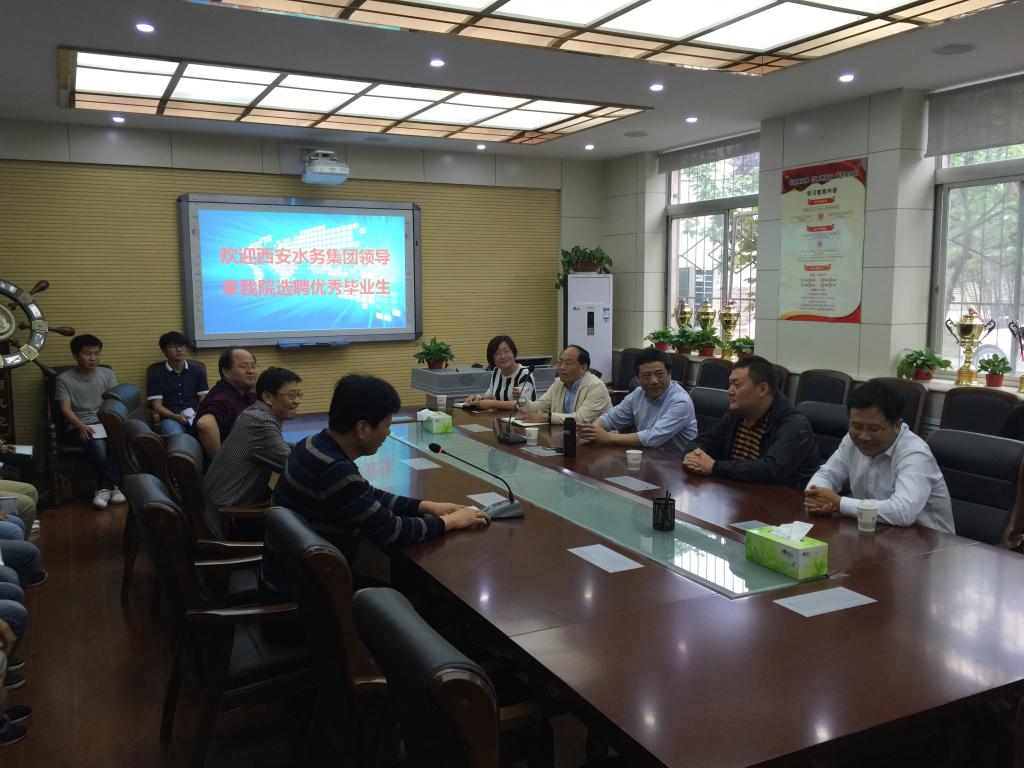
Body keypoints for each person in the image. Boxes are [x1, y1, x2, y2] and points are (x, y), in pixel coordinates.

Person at [260, 373, 490, 599]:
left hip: (291, 575)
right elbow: (393, 532)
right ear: (362, 428)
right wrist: (451, 521)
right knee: (426, 593)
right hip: (308, 598)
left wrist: (426, 506)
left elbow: (366, 494)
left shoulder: (312, 445)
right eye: (387, 425)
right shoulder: (335, 470)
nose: (388, 433)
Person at [804, 380, 955, 533]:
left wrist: (838, 503)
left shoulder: (915, 454)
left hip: (929, 541)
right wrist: (817, 497)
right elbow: (827, 474)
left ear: (897, 426)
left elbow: (903, 512)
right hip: (876, 532)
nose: (863, 436)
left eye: (873, 429)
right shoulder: (851, 440)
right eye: (856, 426)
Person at [682, 355, 820, 488]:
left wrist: (714, 467)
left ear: (762, 389)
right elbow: (704, 441)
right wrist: (692, 455)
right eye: (730, 384)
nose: (730, 391)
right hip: (739, 492)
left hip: (784, 499)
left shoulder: (794, 424)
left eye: (737, 385)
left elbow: (771, 470)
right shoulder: (736, 414)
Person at [203, 367, 301, 510]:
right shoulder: (261, 422)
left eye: (298, 395)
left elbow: (278, 446)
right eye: (291, 395)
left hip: (222, 500)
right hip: (230, 511)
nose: (297, 401)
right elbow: (295, 467)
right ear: (268, 397)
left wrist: (308, 448)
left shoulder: (254, 413)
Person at [578, 347, 697, 455]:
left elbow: (652, 437)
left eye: (659, 374)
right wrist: (592, 431)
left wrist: (608, 437)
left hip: (677, 462)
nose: (654, 381)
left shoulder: (681, 401)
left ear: (669, 374)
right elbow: (612, 417)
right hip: (647, 456)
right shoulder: (639, 393)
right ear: (638, 378)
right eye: (647, 375)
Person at [55, 334, 123, 509]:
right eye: (87, 353)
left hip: (104, 422)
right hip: (78, 425)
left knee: (117, 440)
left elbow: (113, 402)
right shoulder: (64, 379)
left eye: (97, 353)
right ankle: (111, 487)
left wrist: (111, 424)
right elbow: (65, 409)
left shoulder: (107, 374)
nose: (93, 358)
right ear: (76, 356)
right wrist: (80, 426)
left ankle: (104, 488)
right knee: (98, 445)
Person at [518, 345, 611, 425]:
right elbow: (538, 408)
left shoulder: (596, 386)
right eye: (560, 363)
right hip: (564, 433)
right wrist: (522, 400)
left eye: (568, 363)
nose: (562, 367)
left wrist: (547, 418)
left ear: (583, 367)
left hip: (598, 438)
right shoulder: (558, 383)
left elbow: (581, 419)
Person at [191, 347, 257, 459]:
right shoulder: (223, 398)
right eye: (244, 366)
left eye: (253, 366)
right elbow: (205, 424)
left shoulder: (242, 391)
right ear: (226, 372)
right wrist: (223, 464)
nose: (251, 371)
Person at [146, 331, 209, 436]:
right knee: (177, 435)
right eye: (172, 346)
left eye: (182, 346)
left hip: (195, 415)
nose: (179, 349)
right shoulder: (156, 374)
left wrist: (198, 415)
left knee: (208, 429)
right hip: (170, 418)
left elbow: (203, 399)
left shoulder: (197, 370)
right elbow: (156, 405)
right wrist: (176, 417)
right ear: (164, 351)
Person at [465, 335, 535, 411]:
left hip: (523, 417)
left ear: (513, 352)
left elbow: (523, 405)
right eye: (497, 353)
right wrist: (478, 398)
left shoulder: (524, 374)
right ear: (492, 358)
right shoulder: (497, 371)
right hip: (499, 417)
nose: (503, 356)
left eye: (506, 351)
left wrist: (493, 403)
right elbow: (491, 393)